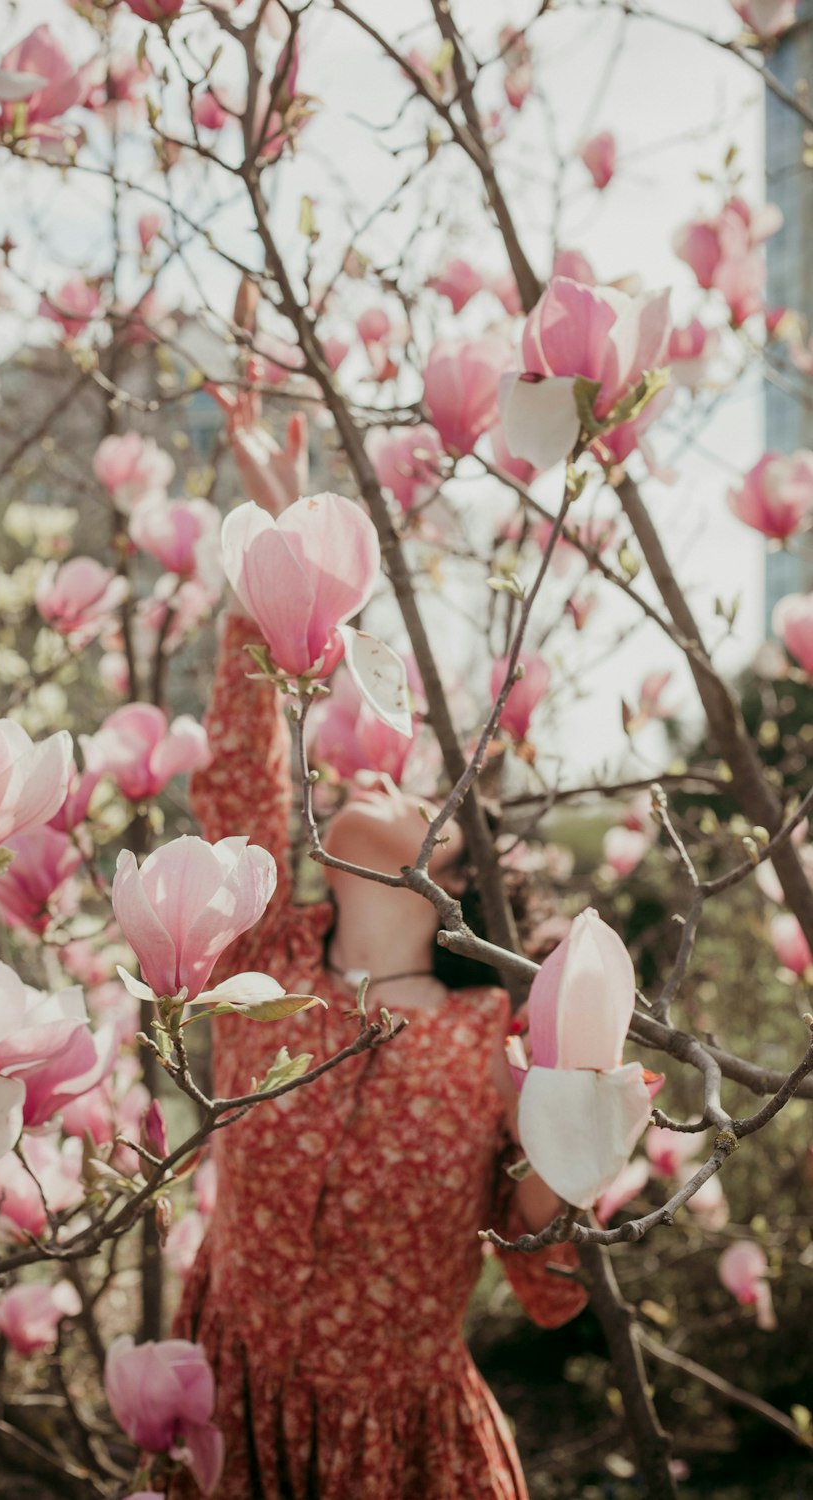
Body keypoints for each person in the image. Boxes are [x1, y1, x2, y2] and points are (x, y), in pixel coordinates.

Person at [168, 542, 588, 1497]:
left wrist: (571, 1130)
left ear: (458, 877)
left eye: (415, 794)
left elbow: (551, 1281)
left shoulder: (494, 1046)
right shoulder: (259, 960)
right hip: (230, 1414)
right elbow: (237, 785)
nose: (377, 776)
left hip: (397, 1452)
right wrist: (268, 582)